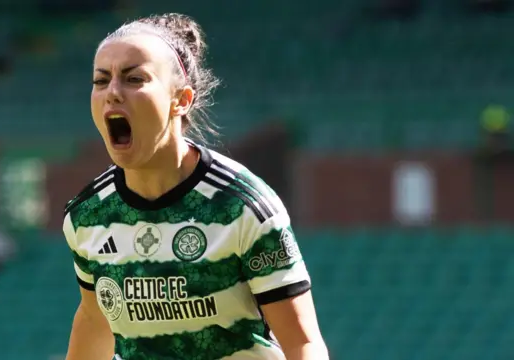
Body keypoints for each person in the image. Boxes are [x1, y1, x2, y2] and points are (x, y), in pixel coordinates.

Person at [62, 13, 329, 360]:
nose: (112, 92)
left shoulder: (241, 206)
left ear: (181, 99)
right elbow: (96, 318)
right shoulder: (87, 216)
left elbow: (302, 343)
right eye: (101, 81)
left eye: (134, 78)